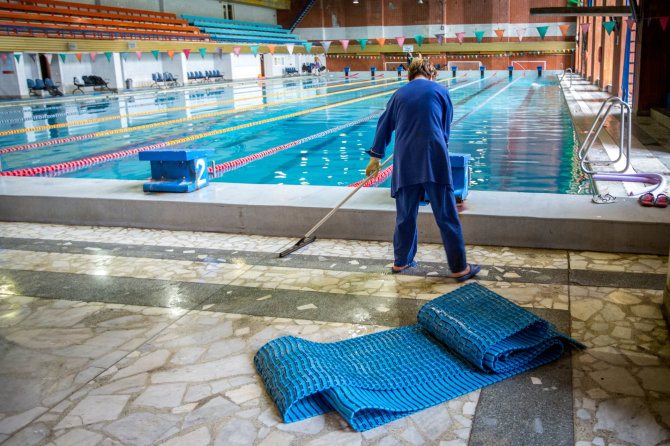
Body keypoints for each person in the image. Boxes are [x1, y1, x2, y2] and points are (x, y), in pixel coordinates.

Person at [364, 58, 480, 280]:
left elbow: (384, 126)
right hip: (434, 159)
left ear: (410, 75)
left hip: (405, 162)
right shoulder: (440, 91)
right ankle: (459, 267)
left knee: (405, 216)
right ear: (431, 74)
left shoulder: (398, 95)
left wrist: (376, 158)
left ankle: (401, 262)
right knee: (446, 215)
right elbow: (444, 131)